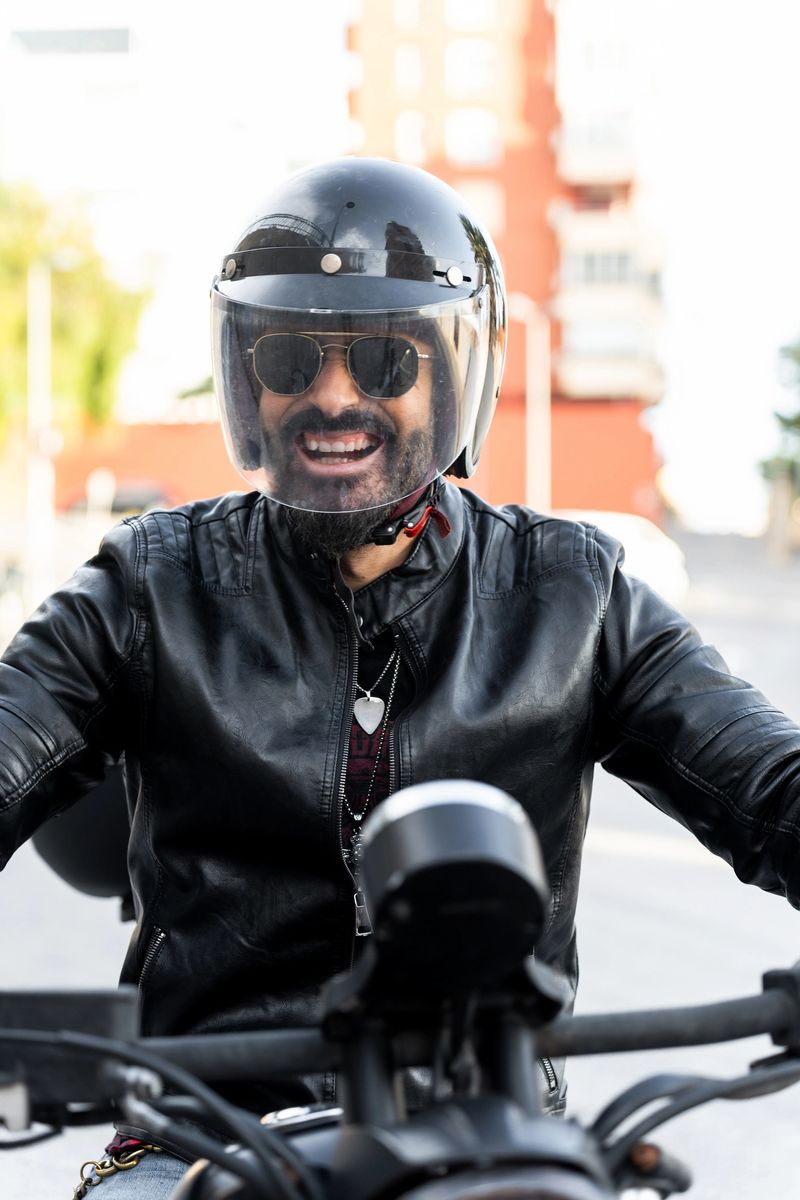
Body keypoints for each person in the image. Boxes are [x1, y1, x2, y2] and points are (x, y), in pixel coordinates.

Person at [2, 157, 800, 1196]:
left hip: (488, 1131)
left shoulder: (573, 593)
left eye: (385, 359)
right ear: (247, 378)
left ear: (454, 376)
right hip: (202, 1132)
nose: (334, 397)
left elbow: (768, 784)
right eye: (289, 356)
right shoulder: (152, 584)